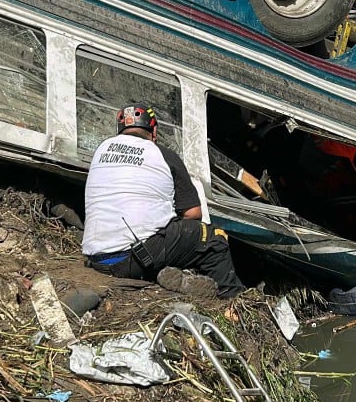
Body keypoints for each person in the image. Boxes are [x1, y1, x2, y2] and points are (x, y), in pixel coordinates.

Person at [82, 103, 246, 298]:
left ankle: (177, 278)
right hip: (134, 259)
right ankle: (233, 302)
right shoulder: (162, 154)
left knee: (161, 235)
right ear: (154, 130)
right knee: (213, 238)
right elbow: (193, 213)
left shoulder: (101, 150)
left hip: (96, 258)